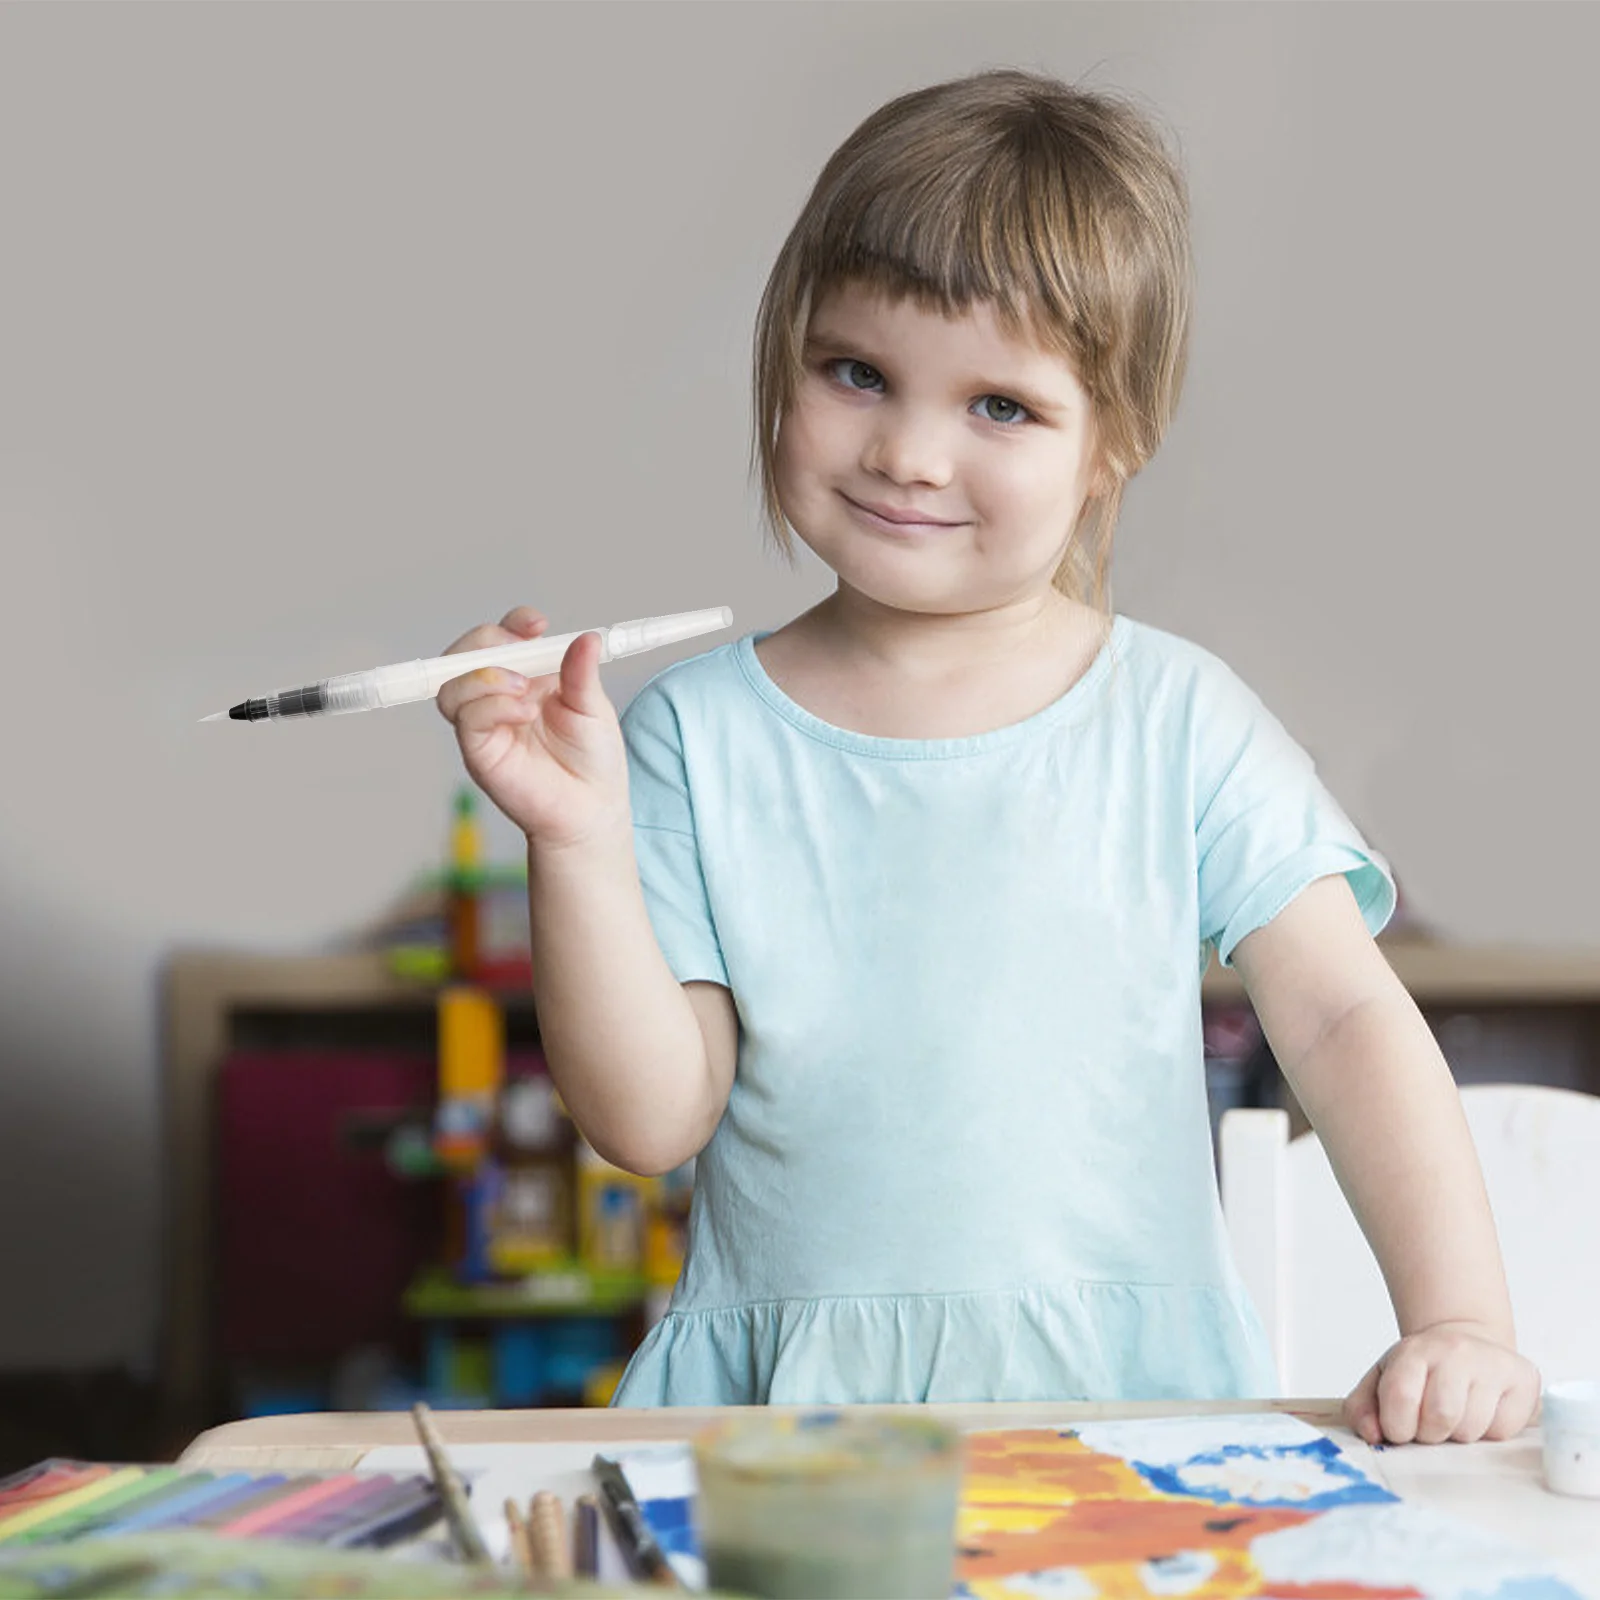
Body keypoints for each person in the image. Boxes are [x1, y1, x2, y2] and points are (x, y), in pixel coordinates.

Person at [437, 67, 1539, 1446]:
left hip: (1133, 1419)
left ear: (1110, 444)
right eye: (857, 373)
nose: (907, 450)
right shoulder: (686, 739)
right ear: (783, 360)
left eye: (1000, 407)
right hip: (784, 1438)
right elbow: (651, 1119)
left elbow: (1343, 1020)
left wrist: (1462, 1318)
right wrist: (577, 841)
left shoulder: (1181, 721)